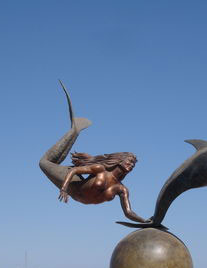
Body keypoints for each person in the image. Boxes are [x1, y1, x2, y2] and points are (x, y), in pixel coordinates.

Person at [39, 81, 149, 224]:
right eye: (130, 161)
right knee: (44, 162)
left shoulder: (121, 189)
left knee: (48, 162)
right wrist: (64, 188)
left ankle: (75, 129)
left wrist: (145, 221)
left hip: (79, 194)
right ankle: (74, 130)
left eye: (134, 164)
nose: (132, 165)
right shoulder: (100, 169)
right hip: (73, 186)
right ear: (120, 160)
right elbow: (74, 170)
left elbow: (128, 213)